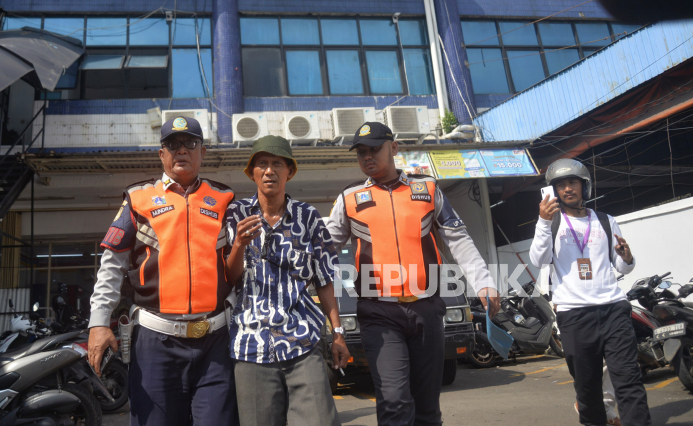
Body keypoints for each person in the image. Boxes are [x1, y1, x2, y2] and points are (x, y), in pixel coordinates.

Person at [326, 122, 499, 426]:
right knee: (393, 401)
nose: (368, 157)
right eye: (361, 152)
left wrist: (484, 283)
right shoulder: (349, 198)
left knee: (427, 408)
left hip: (426, 310)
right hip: (378, 312)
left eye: (375, 149)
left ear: (393, 147)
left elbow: (458, 239)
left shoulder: (428, 189)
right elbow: (322, 248)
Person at [87, 116, 238, 426]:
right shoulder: (137, 199)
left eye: (190, 144)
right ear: (162, 154)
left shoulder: (226, 200)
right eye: (172, 145)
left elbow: (244, 264)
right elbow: (111, 265)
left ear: (203, 152)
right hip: (156, 344)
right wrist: (99, 322)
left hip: (216, 343)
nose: (181, 150)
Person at [224, 136, 349, 426]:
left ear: (289, 172)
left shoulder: (309, 218)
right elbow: (230, 278)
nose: (270, 171)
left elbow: (324, 279)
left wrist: (338, 333)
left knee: (320, 421)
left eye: (277, 164)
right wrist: (239, 244)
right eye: (262, 164)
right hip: (249, 347)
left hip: (302, 342)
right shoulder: (236, 214)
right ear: (252, 172)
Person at [530, 158, 650, 426]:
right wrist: (542, 222)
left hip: (614, 308)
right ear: (554, 191)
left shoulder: (606, 221)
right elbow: (539, 260)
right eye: (560, 185)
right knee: (587, 386)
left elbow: (621, 266)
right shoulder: (551, 223)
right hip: (574, 314)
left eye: (572, 182)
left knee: (628, 379)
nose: (567, 189)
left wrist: (627, 257)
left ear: (585, 186)